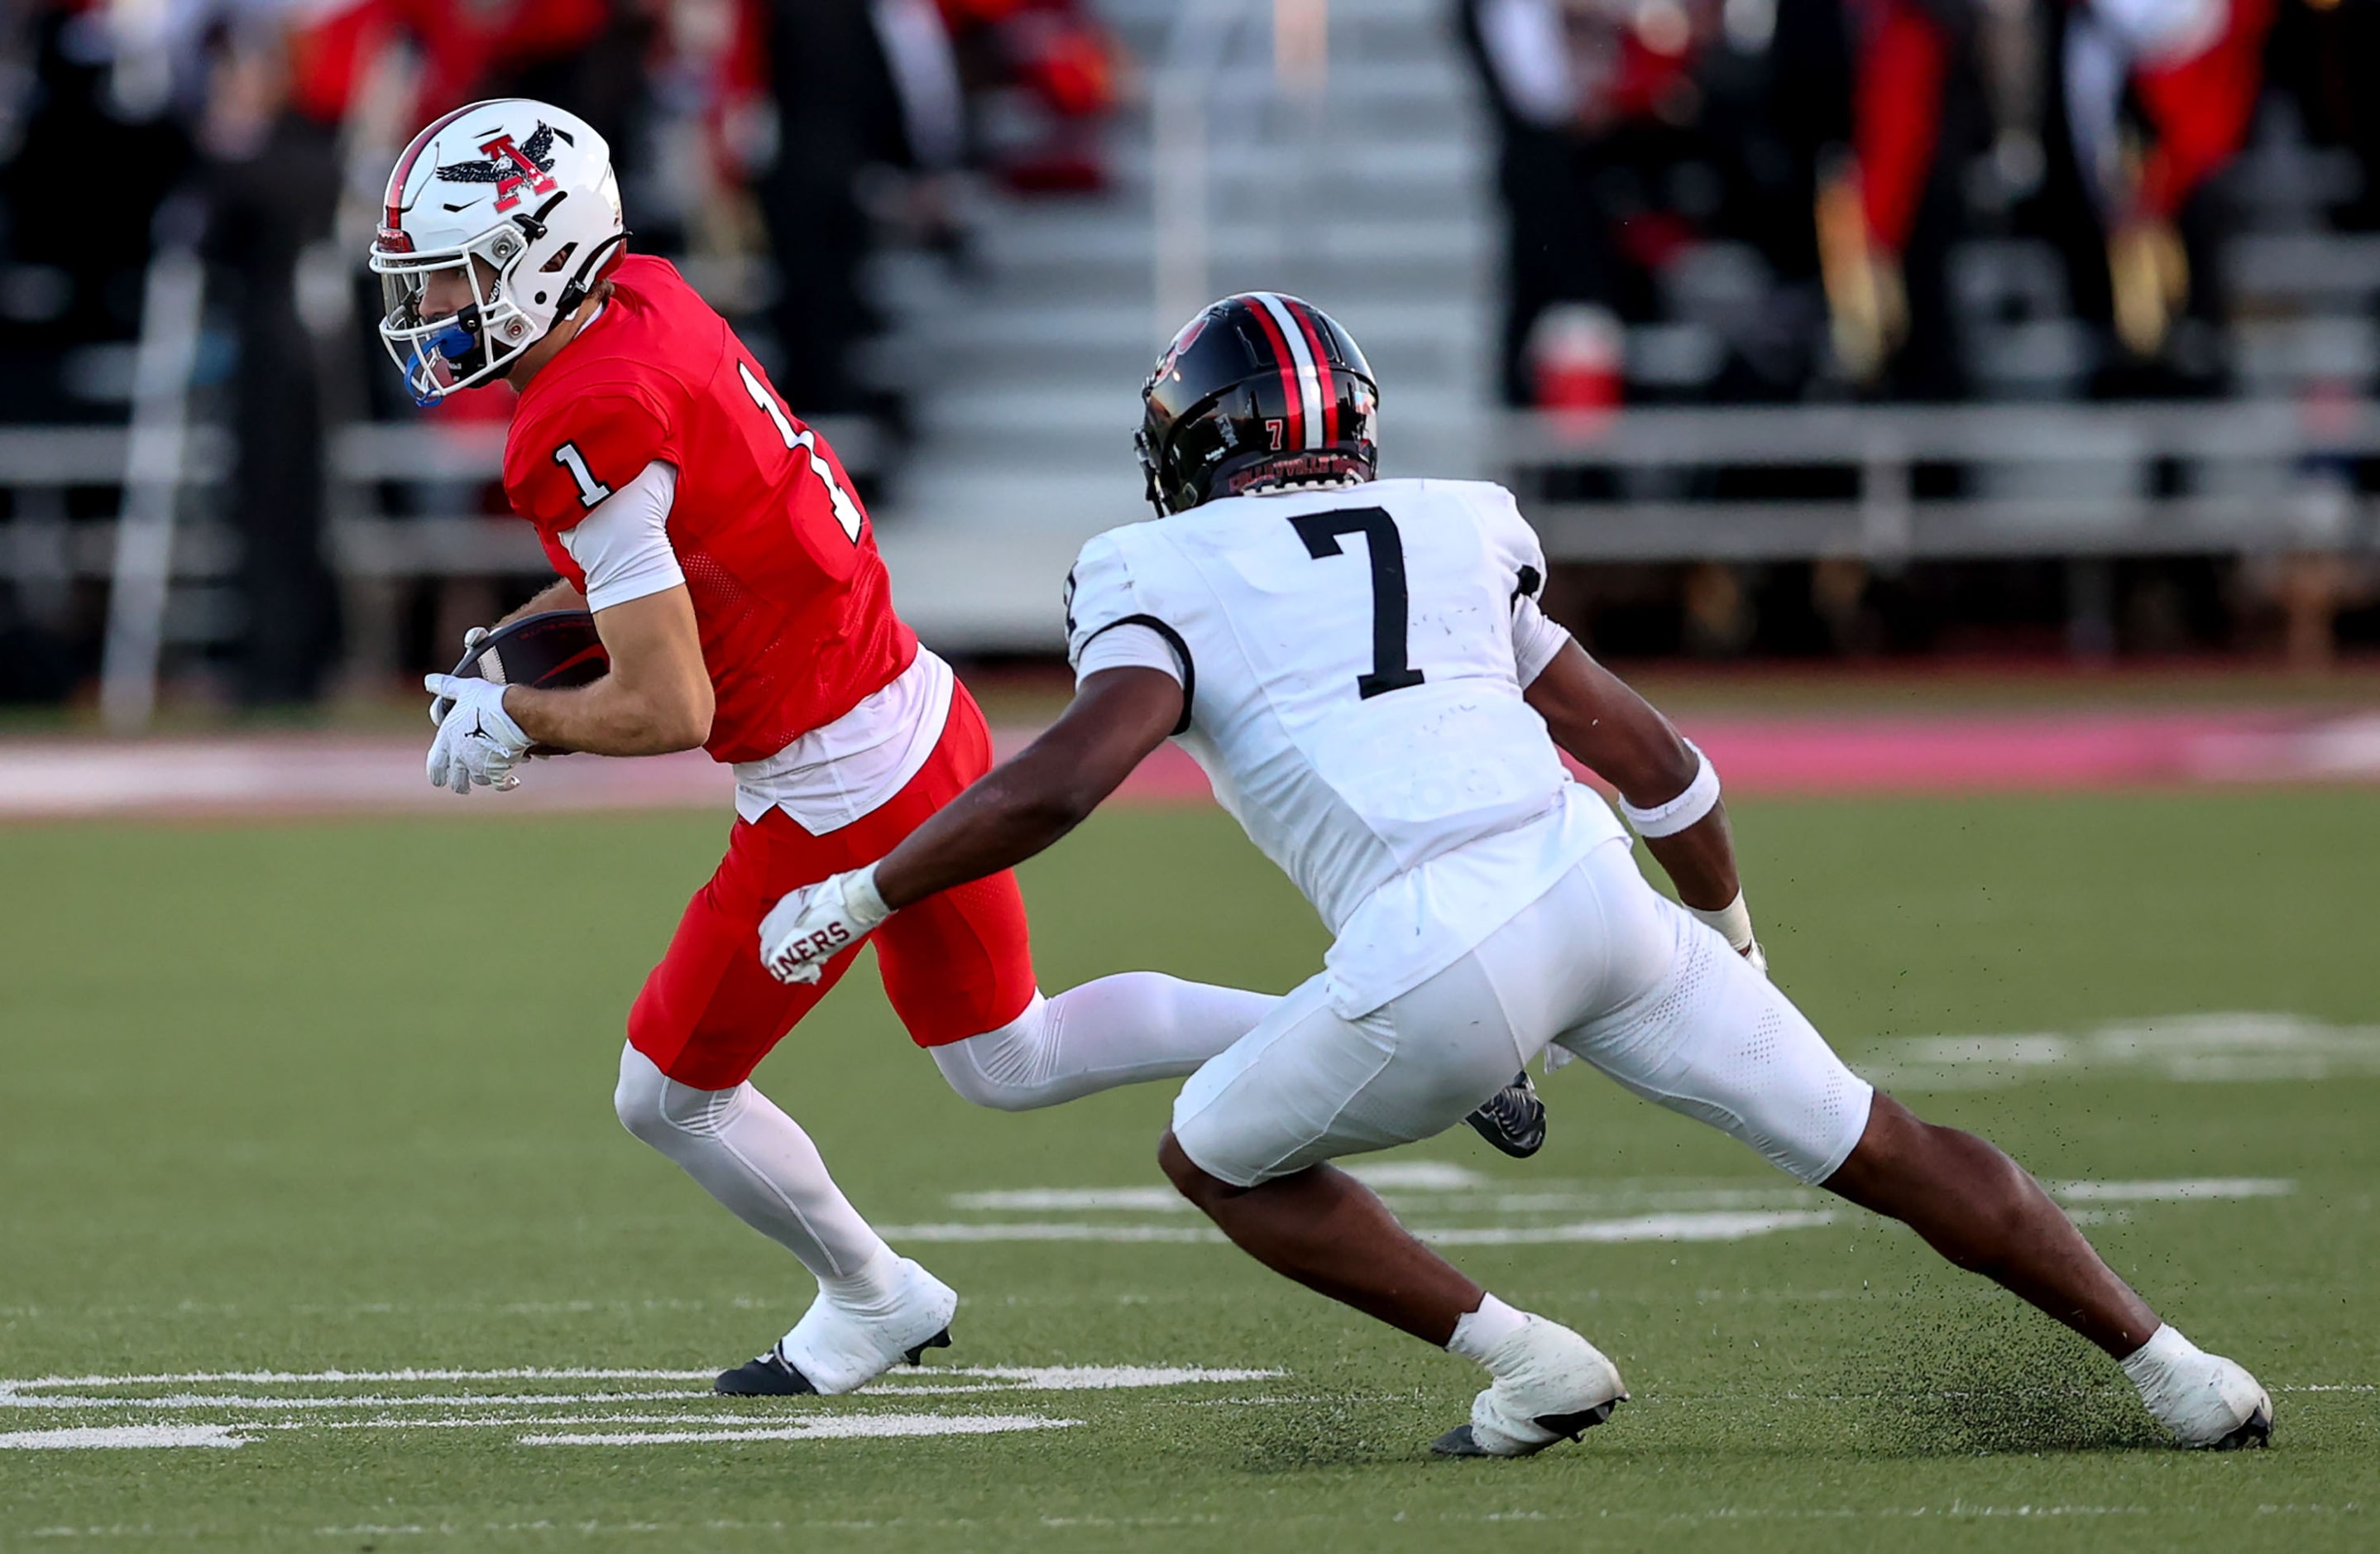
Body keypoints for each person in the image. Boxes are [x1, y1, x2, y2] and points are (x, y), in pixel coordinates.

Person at [755, 290, 2275, 1457]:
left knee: (1212, 1156)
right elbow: (1660, 760)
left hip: (1440, 939)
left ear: (1193, 445)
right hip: (1598, 886)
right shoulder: (1459, 523)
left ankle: (1529, 1360)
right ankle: (2178, 1369)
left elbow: (1071, 777)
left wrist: (864, 890)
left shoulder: (1151, 569)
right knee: (1882, 1141)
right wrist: (1729, 941)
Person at [371, 103, 1541, 1398]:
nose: (431, 302)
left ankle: (869, 1293)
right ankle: (1373, 1023)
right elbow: (683, 556)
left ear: (544, 252)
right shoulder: (639, 300)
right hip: (915, 707)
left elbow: (669, 708)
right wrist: (516, 652)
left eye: (456, 271)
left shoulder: (581, 419)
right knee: (1008, 1057)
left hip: (832, 782)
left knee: (666, 1096)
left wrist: (519, 721)